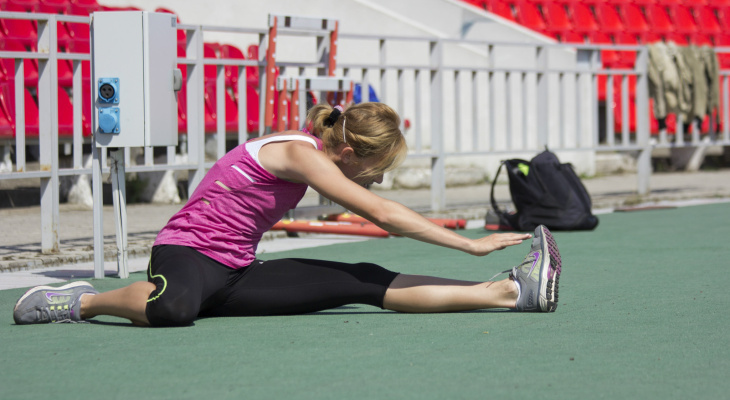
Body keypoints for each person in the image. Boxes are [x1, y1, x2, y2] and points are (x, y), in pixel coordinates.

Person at [13, 102, 561, 327]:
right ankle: (79, 301)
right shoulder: (302, 153)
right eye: (377, 167)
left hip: (235, 271)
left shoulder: (318, 158)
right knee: (176, 308)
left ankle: (511, 292)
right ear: (350, 152)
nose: (379, 177)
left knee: (364, 281)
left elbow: (378, 204)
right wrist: (468, 242)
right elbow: (382, 214)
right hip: (186, 255)